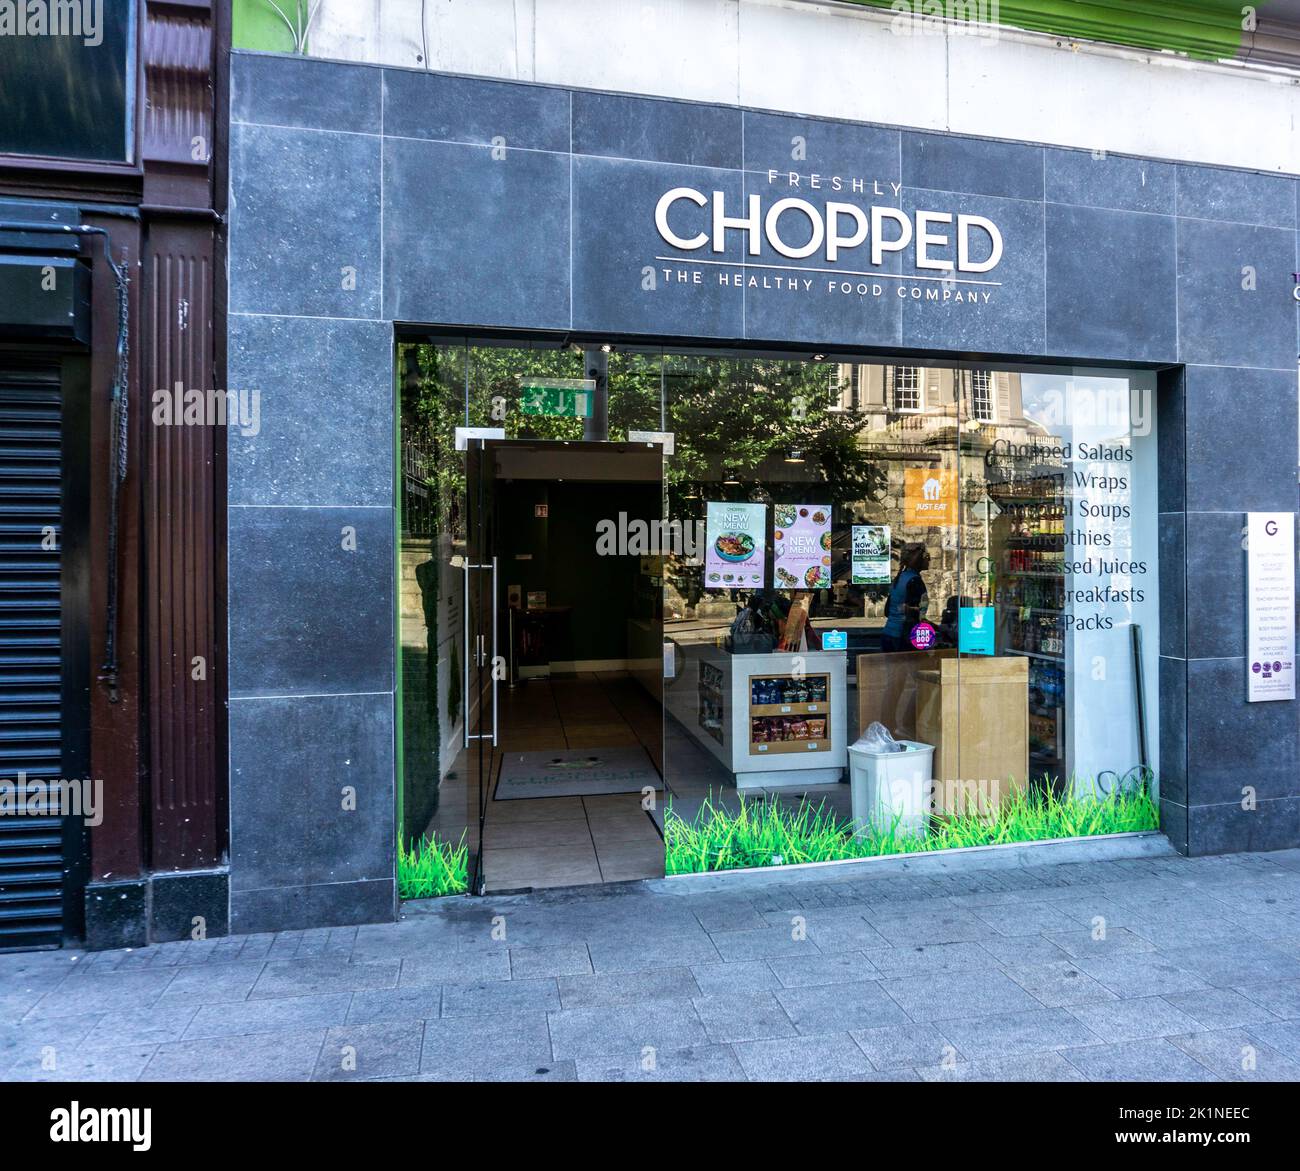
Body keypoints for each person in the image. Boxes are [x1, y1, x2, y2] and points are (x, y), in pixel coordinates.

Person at [881, 543, 930, 652]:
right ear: (919, 560)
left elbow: (887, 611)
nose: (929, 560)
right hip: (903, 638)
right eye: (927, 557)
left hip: (889, 633)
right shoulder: (915, 581)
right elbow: (913, 614)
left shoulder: (900, 578)